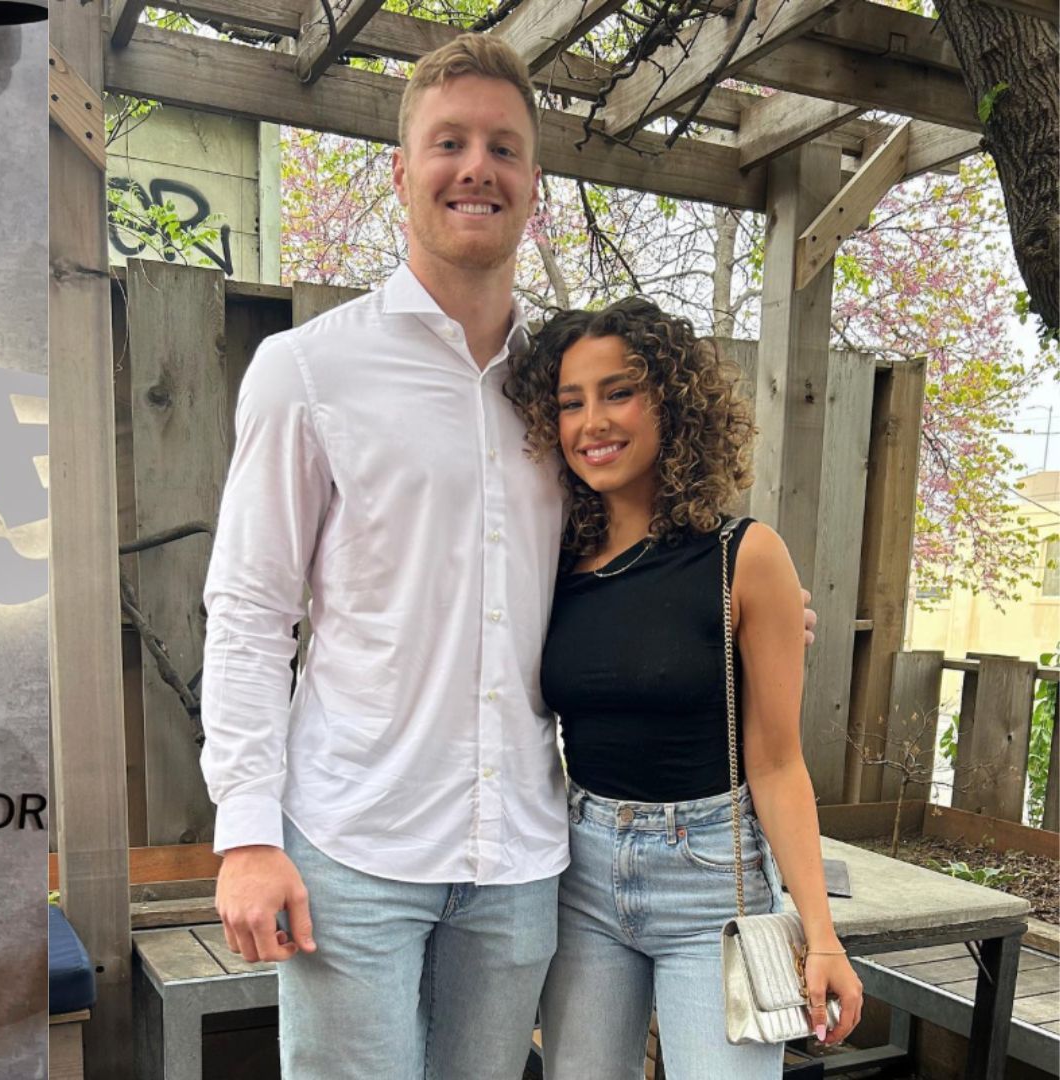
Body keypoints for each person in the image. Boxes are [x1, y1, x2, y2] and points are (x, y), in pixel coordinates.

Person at [201, 34, 816, 1078]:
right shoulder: (308, 372)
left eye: (503, 146)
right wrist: (247, 831)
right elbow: (251, 611)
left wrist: (754, 616)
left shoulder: (565, 387)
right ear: (402, 173)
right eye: (449, 143)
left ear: (535, 184)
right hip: (356, 844)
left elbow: (631, 554)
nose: (475, 167)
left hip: (524, 858)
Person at [507, 298, 862, 1076]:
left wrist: (821, 933)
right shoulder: (551, 565)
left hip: (712, 881)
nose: (592, 421)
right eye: (570, 403)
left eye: (618, 392)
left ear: (673, 401)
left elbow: (777, 762)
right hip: (583, 869)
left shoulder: (747, 557)